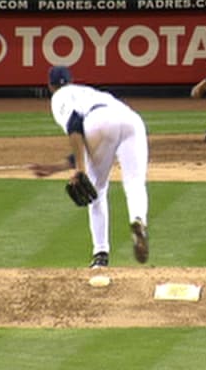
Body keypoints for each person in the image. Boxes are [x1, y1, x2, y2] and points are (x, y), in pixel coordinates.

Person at [35, 65, 151, 269]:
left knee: (96, 191)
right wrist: (57, 167)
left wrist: (80, 169)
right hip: (131, 119)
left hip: (98, 120)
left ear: (50, 85)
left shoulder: (60, 97)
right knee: (135, 183)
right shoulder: (90, 92)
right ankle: (139, 219)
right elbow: (90, 145)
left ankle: (100, 255)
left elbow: (75, 125)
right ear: (70, 80)